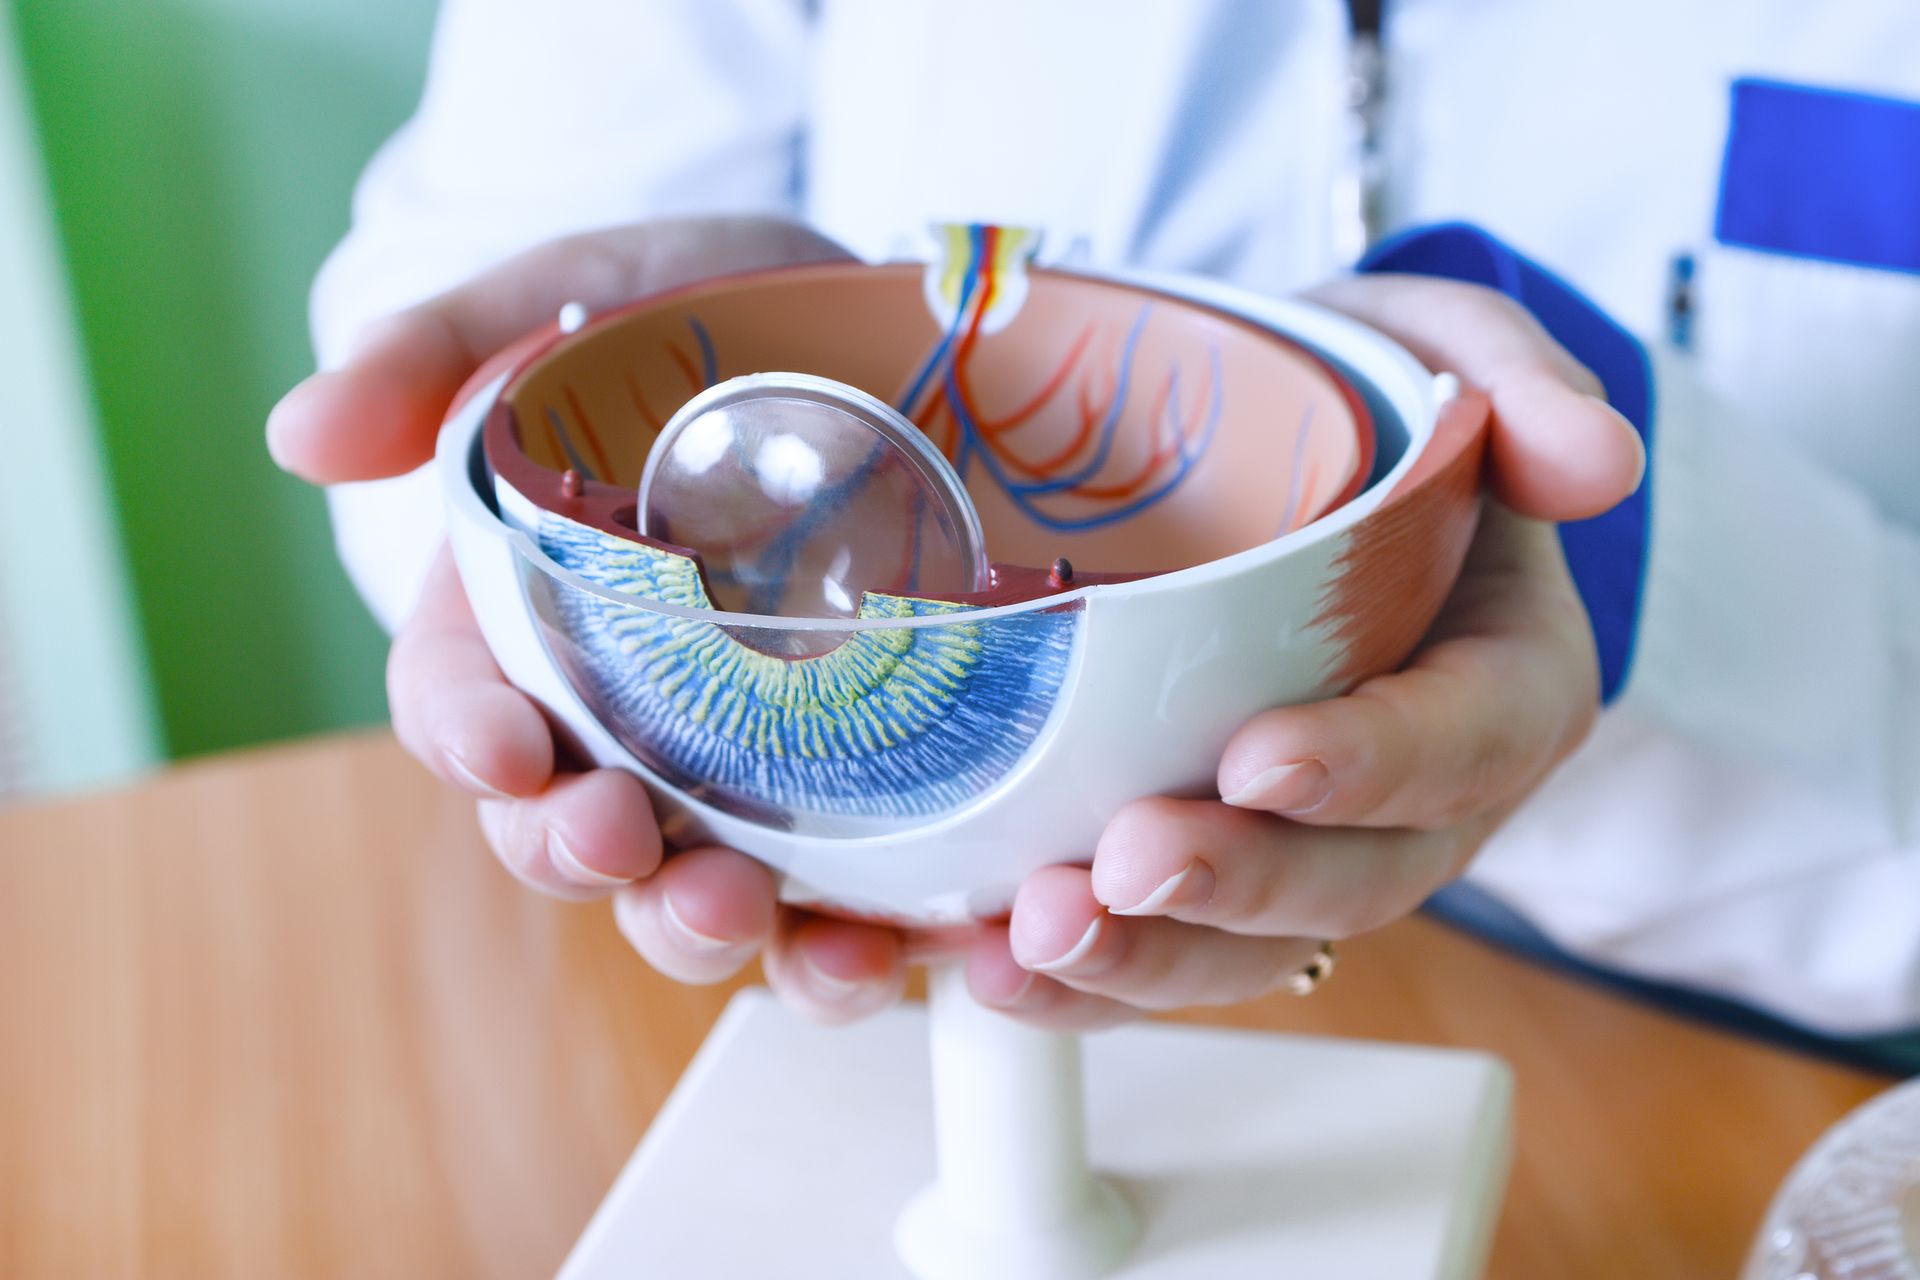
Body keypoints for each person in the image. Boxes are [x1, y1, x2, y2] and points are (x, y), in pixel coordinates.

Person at [268, 1, 1920, 1059]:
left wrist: (1582, 553)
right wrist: (531, 512)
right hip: (919, 979)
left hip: (1754, 1031)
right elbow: (503, 234)